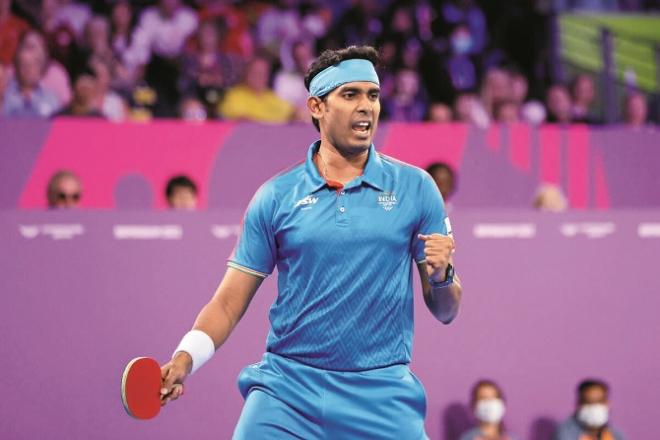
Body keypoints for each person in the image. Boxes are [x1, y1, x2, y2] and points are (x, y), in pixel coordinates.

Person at [159, 45, 462, 439]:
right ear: (317, 107)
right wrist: (185, 358)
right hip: (287, 392)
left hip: (382, 395)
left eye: (372, 95)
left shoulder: (417, 187)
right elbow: (228, 304)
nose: (366, 106)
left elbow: (446, 310)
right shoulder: (275, 196)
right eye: (350, 94)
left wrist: (442, 276)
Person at [555, 379, 625, 440]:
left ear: (607, 403)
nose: (594, 407)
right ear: (578, 404)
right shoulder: (565, 433)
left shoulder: (616, 434)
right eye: (589, 402)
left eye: (599, 401)